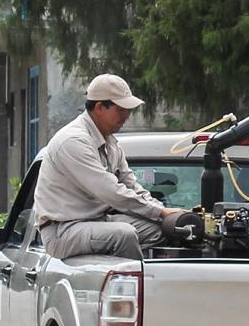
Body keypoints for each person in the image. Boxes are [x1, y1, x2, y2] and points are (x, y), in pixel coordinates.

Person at [34, 74, 183, 260]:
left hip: (99, 221)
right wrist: (160, 211)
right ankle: (141, 285)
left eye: (128, 110)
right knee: (124, 234)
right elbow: (111, 191)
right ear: (99, 108)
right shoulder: (72, 141)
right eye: (121, 110)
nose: (127, 116)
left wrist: (169, 215)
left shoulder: (111, 143)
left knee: (164, 230)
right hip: (63, 230)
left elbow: (132, 186)